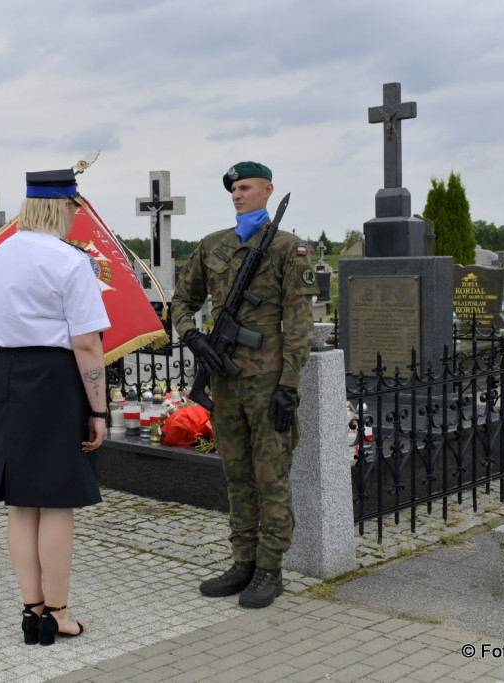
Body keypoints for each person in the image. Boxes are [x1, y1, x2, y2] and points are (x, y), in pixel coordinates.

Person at [171, 161, 318, 609]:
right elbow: (182, 299)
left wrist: (288, 384)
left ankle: (270, 570)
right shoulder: (212, 246)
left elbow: (298, 322)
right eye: (233, 188)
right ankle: (243, 562)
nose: (238, 195)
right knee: (236, 476)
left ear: (268, 190)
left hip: (268, 380)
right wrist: (192, 335)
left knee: (270, 477)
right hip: (225, 381)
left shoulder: (289, 249)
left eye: (246, 187)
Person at [0, 169, 109, 646]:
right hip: (55, 378)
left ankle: (32, 608)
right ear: (63, 206)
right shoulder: (70, 262)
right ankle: (57, 612)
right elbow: (88, 345)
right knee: (56, 500)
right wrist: (98, 411)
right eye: (76, 207)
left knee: (21, 501)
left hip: (7, 373)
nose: (78, 216)